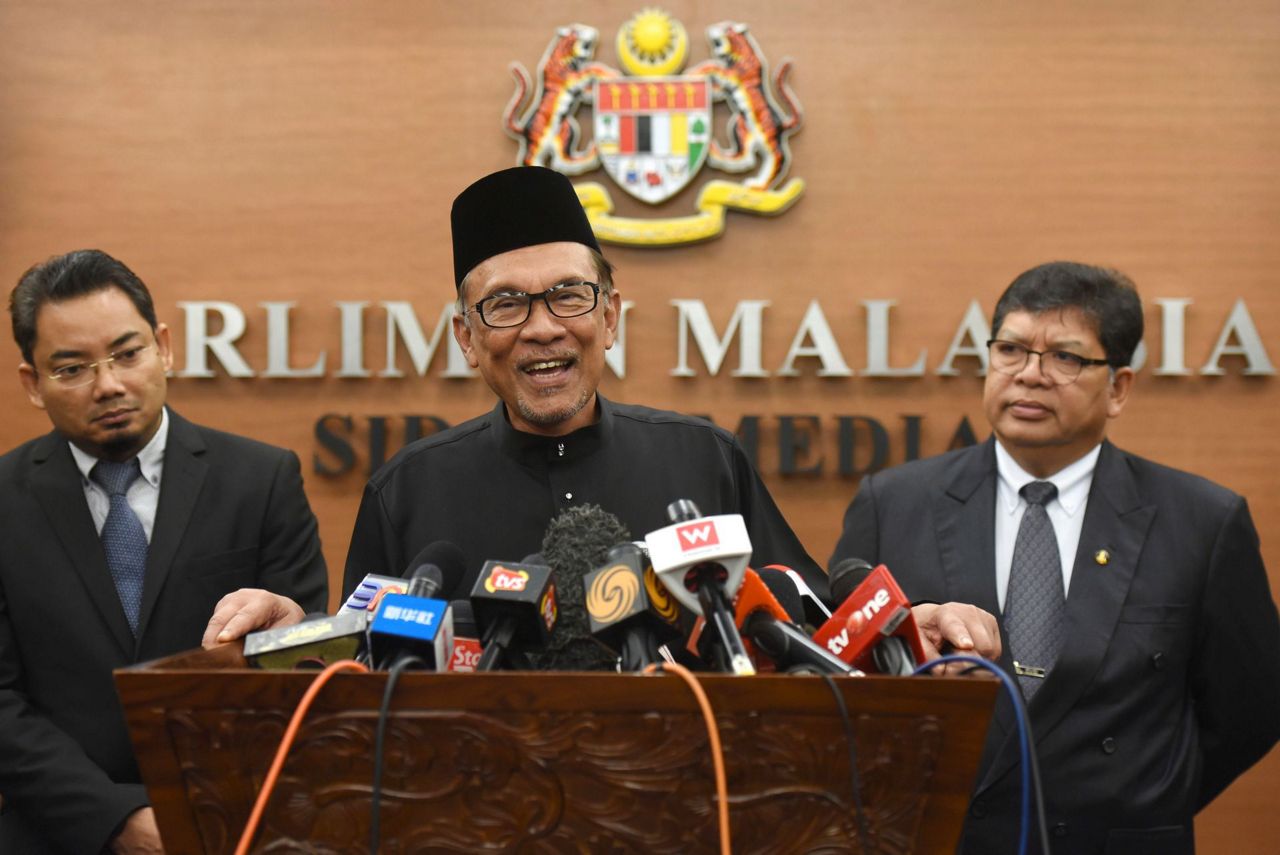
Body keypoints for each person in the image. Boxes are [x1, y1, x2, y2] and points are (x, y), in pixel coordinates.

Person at [342, 166, 998, 664]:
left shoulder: (705, 460)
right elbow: (355, 679)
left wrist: (912, 626)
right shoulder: (407, 493)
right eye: (507, 304)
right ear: (466, 336)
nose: (542, 328)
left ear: (610, 316)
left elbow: (808, 625)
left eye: (569, 295)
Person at [831, 261, 1280, 854]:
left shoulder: (1202, 520)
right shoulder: (893, 503)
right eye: (1010, 349)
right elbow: (839, 679)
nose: (1029, 375)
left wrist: (1149, 797)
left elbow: (1253, 706)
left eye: (1065, 357)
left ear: (1118, 387)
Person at [0, 250, 328, 854]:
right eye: (72, 368)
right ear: (33, 384)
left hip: (234, 825)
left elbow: (304, 659)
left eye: (128, 354)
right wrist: (115, 820)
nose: (109, 385)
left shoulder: (261, 480)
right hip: (56, 835)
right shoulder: (4, 501)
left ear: (165, 347)